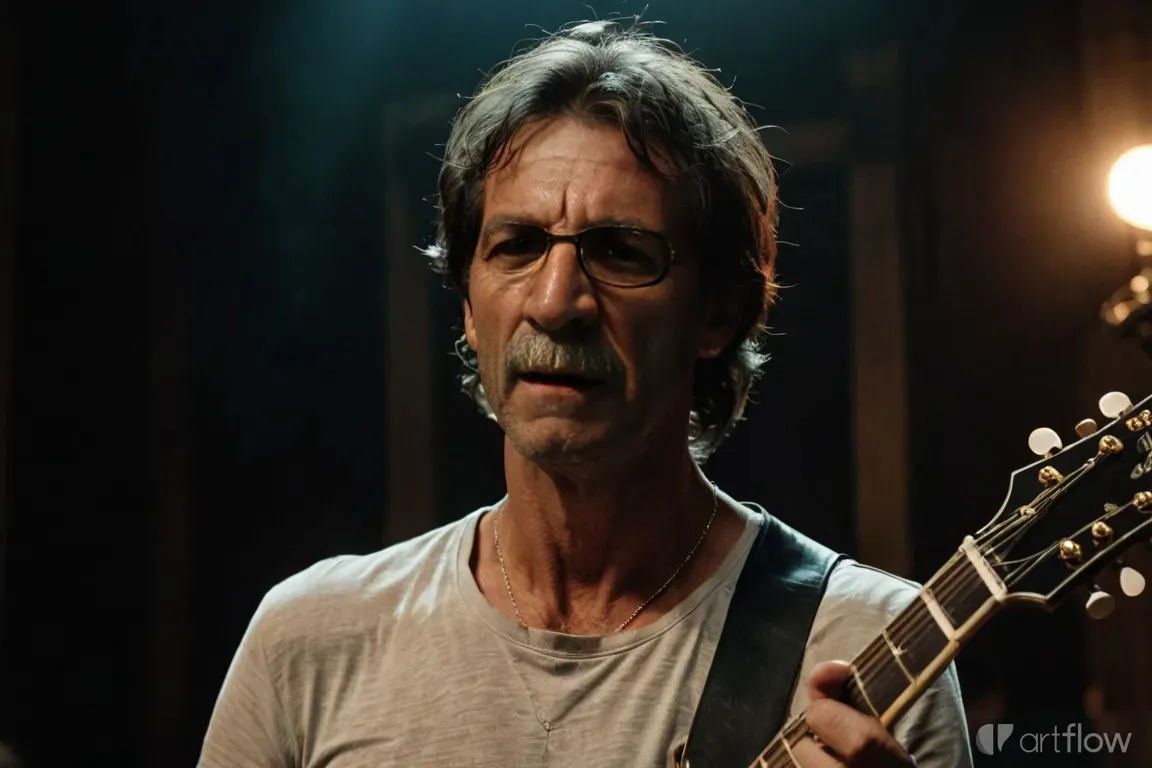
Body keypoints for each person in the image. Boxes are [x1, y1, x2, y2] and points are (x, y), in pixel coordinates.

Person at [198, 19, 972, 768]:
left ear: (719, 313)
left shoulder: (866, 650)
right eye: (517, 246)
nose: (556, 300)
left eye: (620, 251)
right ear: (468, 306)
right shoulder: (312, 640)